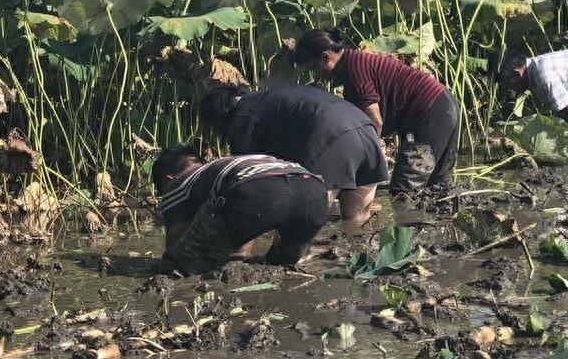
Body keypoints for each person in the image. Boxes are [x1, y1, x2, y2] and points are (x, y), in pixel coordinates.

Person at [295, 27, 459, 195]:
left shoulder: (354, 69)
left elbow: (374, 119)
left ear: (325, 57)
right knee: (439, 187)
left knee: (404, 192)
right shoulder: (355, 61)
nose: (317, 75)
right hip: (444, 103)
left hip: (429, 112)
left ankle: (411, 220)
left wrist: (367, 160)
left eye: (314, 68)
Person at [199, 82, 387, 224]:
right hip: (365, 130)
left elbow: (248, 182)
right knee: (356, 220)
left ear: (218, 117)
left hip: (332, 140)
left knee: (306, 219)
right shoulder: (268, 99)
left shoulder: (242, 118)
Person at [152, 146, 328, 274]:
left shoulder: (177, 183)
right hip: (313, 190)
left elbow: (175, 245)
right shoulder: (224, 165)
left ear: (168, 179)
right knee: (281, 264)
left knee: (175, 267)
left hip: (256, 188)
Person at [496, 48, 568, 152]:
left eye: (508, 84)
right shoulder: (536, 67)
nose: (510, 89)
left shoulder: (544, 78)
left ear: (517, 74)